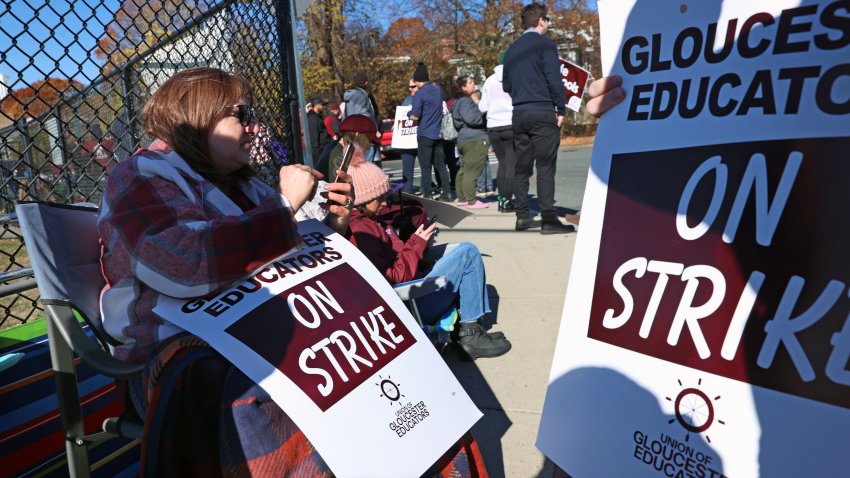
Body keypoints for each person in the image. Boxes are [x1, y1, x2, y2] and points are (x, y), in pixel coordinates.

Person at [97, 67, 487, 476]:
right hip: (180, 359)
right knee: (282, 395)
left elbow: (287, 252)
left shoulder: (245, 185)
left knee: (386, 350)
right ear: (198, 115)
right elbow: (183, 265)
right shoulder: (142, 174)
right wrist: (284, 207)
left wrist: (333, 226)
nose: (254, 128)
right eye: (242, 115)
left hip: (265, 330)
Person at [346, 153, 512, 360]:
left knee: (463, 251)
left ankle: (470, 327)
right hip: (408, 302)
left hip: (413, 291)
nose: (385, 203)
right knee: (468, 253)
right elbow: (392, 279)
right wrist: (417, 243)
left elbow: (396, 258)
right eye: (379, 197)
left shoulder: (370, 220)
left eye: (385, 195)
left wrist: (420, 242)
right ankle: (470, 335)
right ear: (363, 199)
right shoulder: (362, 230)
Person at [503, 3, 575, 234]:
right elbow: (554, 79)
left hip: (519, 112)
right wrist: (561, 109)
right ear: (541, 20)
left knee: (522, 167)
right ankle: (549, 218)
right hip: (543, 111)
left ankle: (523, 216)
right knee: (545, 166)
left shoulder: (512, 49)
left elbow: (506, 84)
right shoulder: (546, 45)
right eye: (548, 20)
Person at [479, 48, 518, 213]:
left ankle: (502, 200)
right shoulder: (516, 77)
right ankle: (507, 200)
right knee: (511, 164)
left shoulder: (489, 80)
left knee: (503, 164)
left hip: (493, 127)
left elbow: (482, 107)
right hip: (510, 124)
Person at [408, 62, 452, 201]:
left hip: (425, 134)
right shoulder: (438, 90)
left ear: (416, 80)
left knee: (426, 166)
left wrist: (409, 112)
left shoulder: (419, 95)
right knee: (440, 164)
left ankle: (428, 194)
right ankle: (447, 192)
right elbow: (447, 98)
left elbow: (415, 116)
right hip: (438, 133)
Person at [451, 76, 489, 208]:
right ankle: (471, 200)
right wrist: (484, 113)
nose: (474, 84)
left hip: (463, 138)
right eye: (471, 83)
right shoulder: (466, 101)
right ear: (463, 87)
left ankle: (462, 198)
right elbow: (473, 119)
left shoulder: (457, 102)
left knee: (464, 169)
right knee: (472, 171)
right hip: (475, 139)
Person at [399, 80, 420, 193]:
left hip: (421, 137)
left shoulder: (425, 98)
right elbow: (402, 118)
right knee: (407, 165)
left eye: (413, 86)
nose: (410, 89)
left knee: (426, 166)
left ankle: (427, 188)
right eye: (409, 87)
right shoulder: (406, 100)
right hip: (408, 139)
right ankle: (408, 189)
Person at [306, 96, 331, 165]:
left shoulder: (317, 118)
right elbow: (314, 140)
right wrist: (318, 158)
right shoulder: (313, 119)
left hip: (323, 151)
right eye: (322, 104)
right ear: (316, 105)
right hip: (319, 154)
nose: (323, 107)